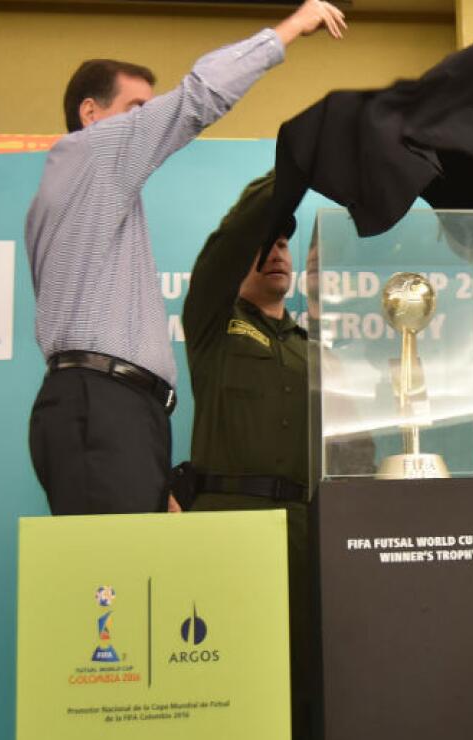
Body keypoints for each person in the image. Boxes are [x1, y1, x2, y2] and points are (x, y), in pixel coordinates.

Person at [25, 0, 346, 515]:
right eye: (137, 110)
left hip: (125, 412)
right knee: (113, 580)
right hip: (101, 403)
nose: (150, 122)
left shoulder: (96, 198)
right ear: (91, 114)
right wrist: (290, 28)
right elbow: (198, 97)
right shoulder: (89, 155)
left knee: (134, 581)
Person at [179, 173, 316, 738]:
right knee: (230, 687)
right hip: (228, 524)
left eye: (284, 243)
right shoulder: (214, 324)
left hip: (306, 533)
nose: (276, 253)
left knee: (305, 687)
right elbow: (231, 238)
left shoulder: (311, 348)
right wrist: (292, 175)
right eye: (264, 245)